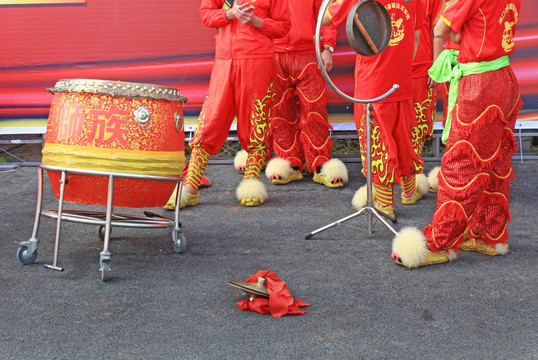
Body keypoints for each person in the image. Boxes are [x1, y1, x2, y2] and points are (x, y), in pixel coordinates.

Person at [391, 0, 522, 268]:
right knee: (495, 165)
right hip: (504, 77)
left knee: (460, 166)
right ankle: (489, 236)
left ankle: (440, 243)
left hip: (479, 84)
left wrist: (457, 34)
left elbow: (440, 29)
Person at [174, 0, 290, 209]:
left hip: (258, 60)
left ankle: (250, 181)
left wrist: (257, 21)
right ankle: (190, 185)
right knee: (210, 120)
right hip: (225, 60)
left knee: (257, 122)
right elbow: (206, 15)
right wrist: (229, 14)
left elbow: (283, 27)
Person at [325, 0, 426, 219]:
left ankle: (384, 203)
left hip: (374, 82)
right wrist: (400, 67)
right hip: (401, 79)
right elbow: (416, 36)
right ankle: (409, 191)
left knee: (378, 140)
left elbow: (326, 19)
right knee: (403, 137)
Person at [257, 0, 348, 188]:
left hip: (308, 53)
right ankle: (289, 163)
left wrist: (327, 47)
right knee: (280, 113)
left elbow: (326, 15)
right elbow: (258, 17)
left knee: (314, 111)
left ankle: (320, 163)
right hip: (274, 54)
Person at [410, 0, 445, 192]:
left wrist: (435, 67)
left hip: (422, 68)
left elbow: (437, 31)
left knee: (417, 127)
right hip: (389, 69)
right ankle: (391, 184)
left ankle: (411, 184)